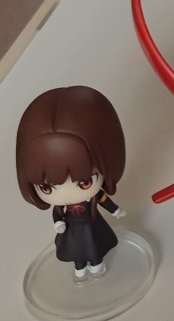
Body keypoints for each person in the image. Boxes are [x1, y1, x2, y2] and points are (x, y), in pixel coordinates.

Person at [15, 87, 127, 280]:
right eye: (46, 187)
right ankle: (79, 268)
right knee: (76, 251)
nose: (66, 193)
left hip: (91, 226)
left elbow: (104, 200)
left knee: (94, 247)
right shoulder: (61, 207)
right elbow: (57, 213)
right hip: (73, 230)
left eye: (84, 183)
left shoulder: (94, 198)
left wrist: (116, 210)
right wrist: (59, 223)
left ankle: (96, 265)